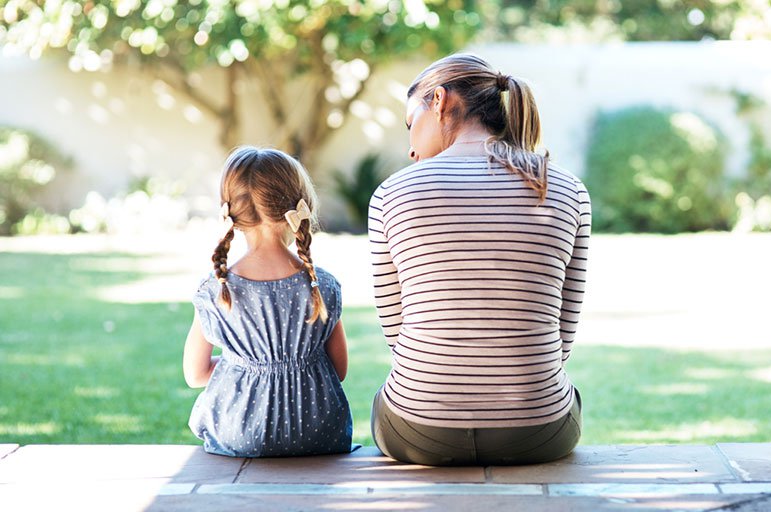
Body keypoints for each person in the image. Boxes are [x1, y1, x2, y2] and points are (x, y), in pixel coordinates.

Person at [368, 54, 591, 466]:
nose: (410, 147)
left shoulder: (391, 193)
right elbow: (563, 334)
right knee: (567, 394)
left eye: (409, 124)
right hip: (538, 431)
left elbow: (397, 334)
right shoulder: (566, 188)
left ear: (438, 100)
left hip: (419, 431)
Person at [183, 146, 352, 458]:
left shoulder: (215, 289)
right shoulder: (322, 285)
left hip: (240, 433)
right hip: (319, 433)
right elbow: (338, 369)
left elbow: (195, 375)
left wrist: (244, 364)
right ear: (300, 206)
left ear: (230, 212)